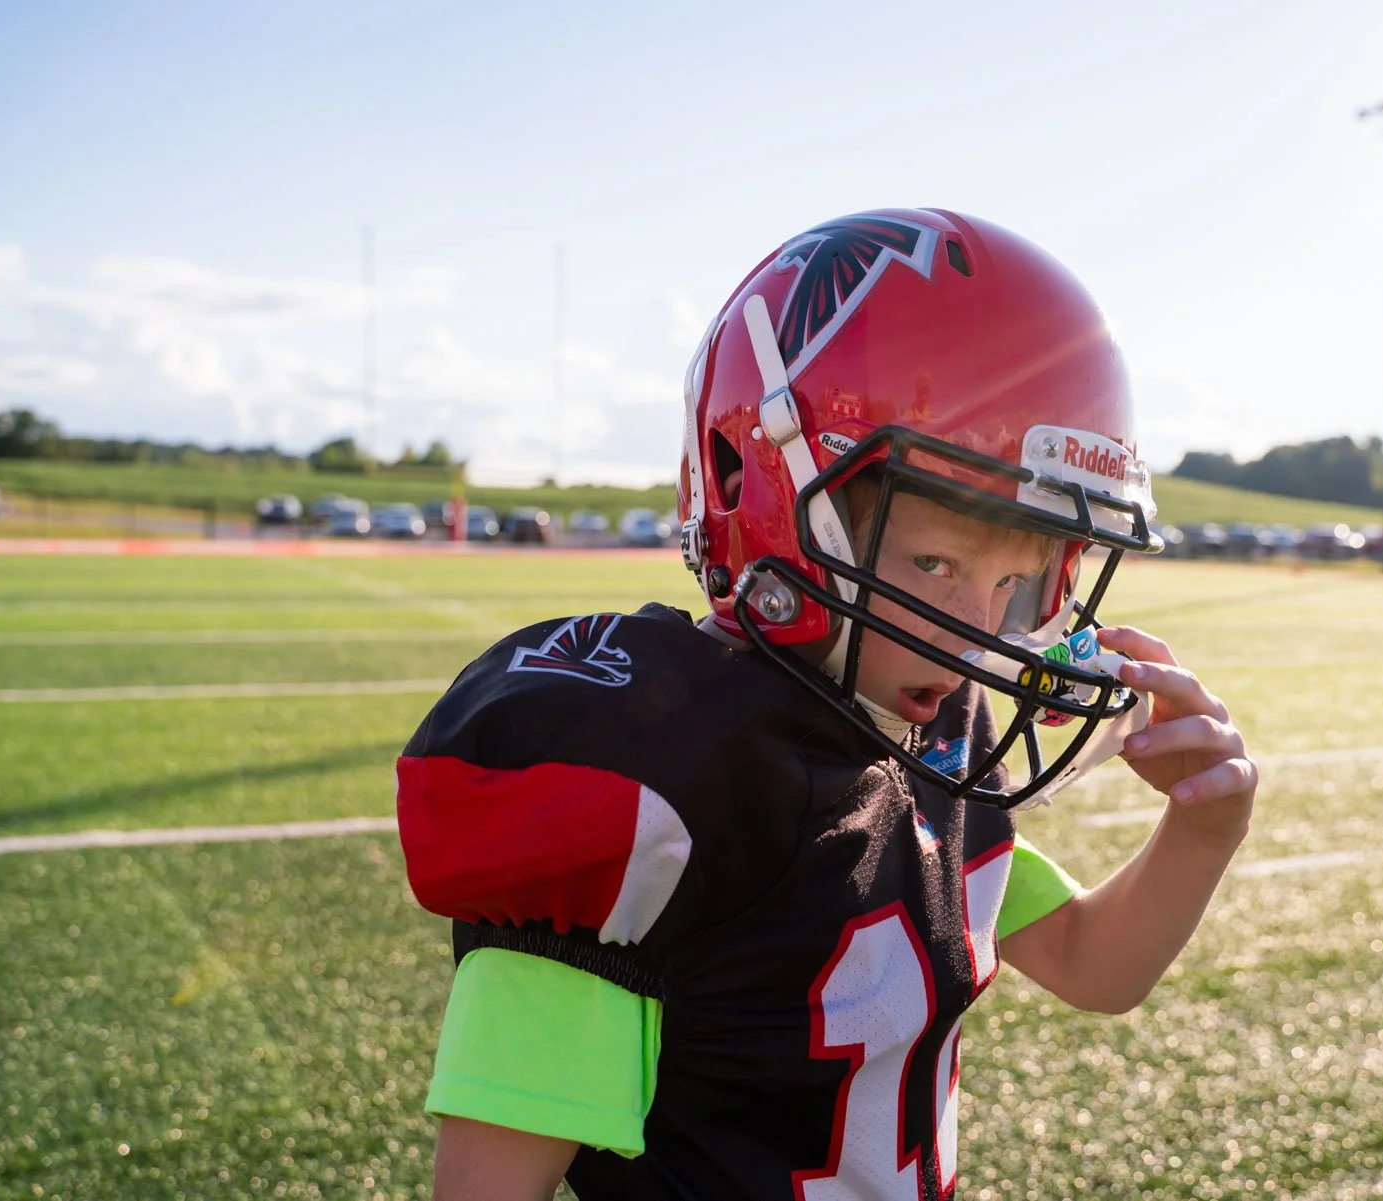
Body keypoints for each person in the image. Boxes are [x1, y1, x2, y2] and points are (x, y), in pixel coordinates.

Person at [397, 209, 1259, 1201]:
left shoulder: (936, 741)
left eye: (1017, 584)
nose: (978, 631)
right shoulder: (669, 777)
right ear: (766, 487)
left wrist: (1204, 831)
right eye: (934, 563)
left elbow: (1090, 961)